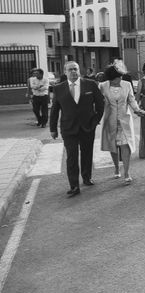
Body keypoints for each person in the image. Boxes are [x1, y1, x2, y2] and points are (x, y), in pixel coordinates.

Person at [50, 61, 104, 197]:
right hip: (68, 128)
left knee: (87, 154)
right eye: (70, 70)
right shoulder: (58, 88)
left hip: (87, 127)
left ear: (79, 70)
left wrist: (95, 120)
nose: (73, 72)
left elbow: (100, 104)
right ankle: (74, 186)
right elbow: (55, 111)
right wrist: (53, 129)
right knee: (72, 157)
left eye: (75, 69)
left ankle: (86, 177)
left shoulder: (90, 84)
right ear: (65, 72)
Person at [99, 64, 145, 184]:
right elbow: (98, 102)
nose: (120, 79)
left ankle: (126, 172)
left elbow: (131, 99)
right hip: (110, 120)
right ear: (110, 78)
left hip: (125, 120)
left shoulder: (127, 84)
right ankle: (116, 167)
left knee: (125, 146)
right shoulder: (103, 86)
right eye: (116, 77)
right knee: (113, 146)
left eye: (120, 76)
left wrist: (137, 109)